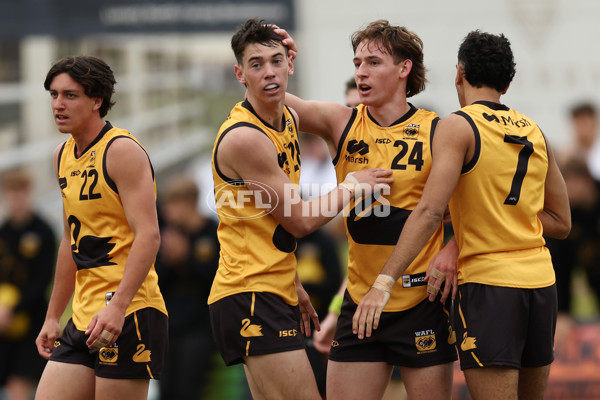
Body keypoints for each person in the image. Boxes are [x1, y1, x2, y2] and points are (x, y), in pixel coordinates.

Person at [353, 30, 571, 400]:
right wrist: (504, 222)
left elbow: (429, 210)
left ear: (459, 73)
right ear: (508, 81)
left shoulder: (457, 125)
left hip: (490, 288)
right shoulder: (535, 131)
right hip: (541, 285)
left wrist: (384, 281)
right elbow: (561, 223)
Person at [207, 19, 393, 400]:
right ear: (239, 74)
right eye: (256, 64)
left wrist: (292, 284)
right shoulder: (246, 138)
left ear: (290, 64)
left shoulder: (286, 118)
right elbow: (299, 221)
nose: (269, 72)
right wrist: (352, 186)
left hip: (269, 287)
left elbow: (262, 227)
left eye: (277, 61)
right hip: (250, 293)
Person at [282, 20, 458, 400]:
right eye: (357, 62)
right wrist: (283, 62)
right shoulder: (342, 121)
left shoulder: (438, 130)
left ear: (404, 69)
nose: (360, 71)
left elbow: (473, 210)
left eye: (373, 62)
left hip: (420, 303)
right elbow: (273, 98)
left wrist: (452, 248)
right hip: (361, 301)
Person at [34, 56, 168, 400]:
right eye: (53, 95)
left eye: (70, 95)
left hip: (130, 310)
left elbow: (149, 236)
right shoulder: (61, 155)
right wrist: (52, 317)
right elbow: (70, 240)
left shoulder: (121, 150)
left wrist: (118, 306)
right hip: (82, 317)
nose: (58, 105)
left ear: (97, 101)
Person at [155, 175, 220, 400]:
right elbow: (156, 283)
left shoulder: (214, 233)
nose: (166, 212)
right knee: (167, 391)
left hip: (201, 327)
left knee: (188, 390)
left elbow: (217, 282)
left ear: (188, 203)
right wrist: (169, 260)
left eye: (171, 205)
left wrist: (186, 258)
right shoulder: (167, 236)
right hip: (169, 327)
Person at [0, 169, 56, 400]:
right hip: (4, 322)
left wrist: (13, 308)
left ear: (29, 192)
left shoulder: (43, 231)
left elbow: (42, 281)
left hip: (32, 319)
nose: (16, 197)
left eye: (21, 191)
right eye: (11, 192)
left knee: (21, 384)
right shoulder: (3, 232)